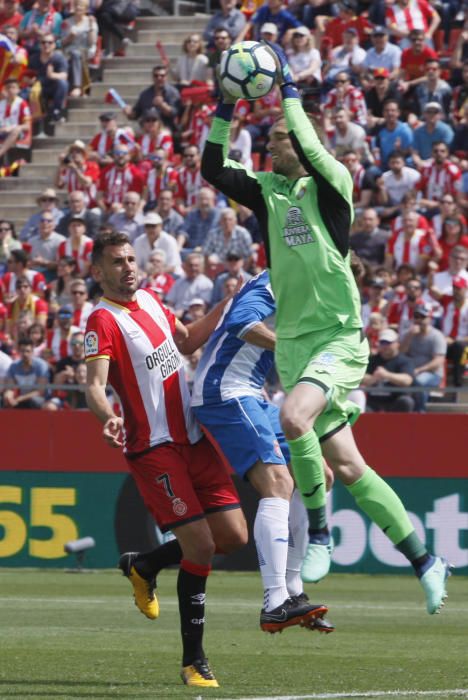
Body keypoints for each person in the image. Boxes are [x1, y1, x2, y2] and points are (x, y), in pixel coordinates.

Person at [201, 41, 451, 615]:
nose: (271, 146)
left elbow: (310, 143)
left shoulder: (330, 183)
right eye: (267, 142)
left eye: (277, 140)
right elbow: (213, 166)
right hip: (293, 344)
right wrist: (225, 104)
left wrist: (288, 89)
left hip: (338, 337)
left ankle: (318, 534)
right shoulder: (268, 194)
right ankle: (425, 559)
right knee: (351, 468)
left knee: (292, 418)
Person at [84, 231, 248, 688]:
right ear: (98, 272)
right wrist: (107, 415)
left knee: (232, 536)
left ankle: (146, 565)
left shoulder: (154, 301)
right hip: (155, 449)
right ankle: (194, 661)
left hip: (194, 440)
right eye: (117, 262)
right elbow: (95, 384)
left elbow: (188, 341)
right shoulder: (102, 320)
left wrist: (226, 305)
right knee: (200, 548)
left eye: (131, 259)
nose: (128, 267)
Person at [192, 270, 331, 632]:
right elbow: (241, 322)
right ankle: (275, 600)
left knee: (318, 475)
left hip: (252, 393)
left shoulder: (310, 288)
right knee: (278, 483)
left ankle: (295, 592)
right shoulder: (277, 279)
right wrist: (290, 346)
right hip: (225, 391)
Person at [400, 301, 447, 410]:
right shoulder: (409, 334)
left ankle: (420, 412)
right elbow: (401, 353)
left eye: (422, 317)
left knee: (420, 382)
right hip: (411, 372)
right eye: (416, 317)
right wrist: (409, 336)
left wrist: (419, 370)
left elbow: (438, 361)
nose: (419, 320)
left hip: (433, 374)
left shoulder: (437, 336)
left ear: (429, 319)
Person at [361, 328, 415, 412]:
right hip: (373, 402)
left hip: (395, 401)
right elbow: (360, 377)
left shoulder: (405, 361)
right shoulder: (372, 360)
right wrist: (373, 378)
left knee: (406, 401)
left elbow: (407, 380)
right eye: (382, 342)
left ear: (397, 344)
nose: (385, 346)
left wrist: (386, 375)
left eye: (388, 343)